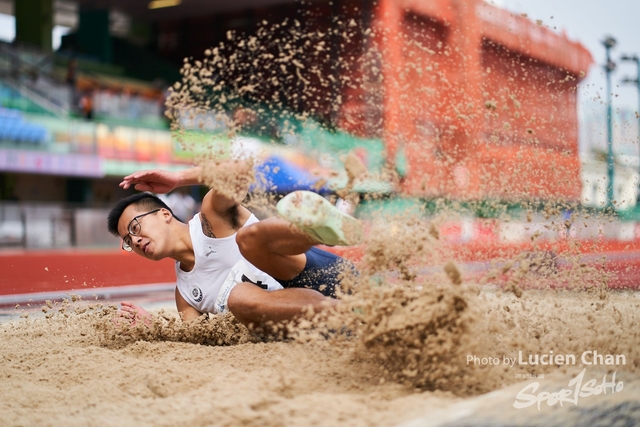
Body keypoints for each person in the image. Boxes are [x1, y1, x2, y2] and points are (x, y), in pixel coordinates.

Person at [107, 159, 362, 329]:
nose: (135, 241)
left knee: (247, 239)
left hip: (329, 276)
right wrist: (154, 325)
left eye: (135, 228)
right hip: (316, 323)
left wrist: (179, 178)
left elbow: (240, 172)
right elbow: (197, 338)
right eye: (128, 241)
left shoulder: (211, 216)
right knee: (238, 298)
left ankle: (320, 230)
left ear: (164, 214)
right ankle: (356, 313)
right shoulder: (185, 294)